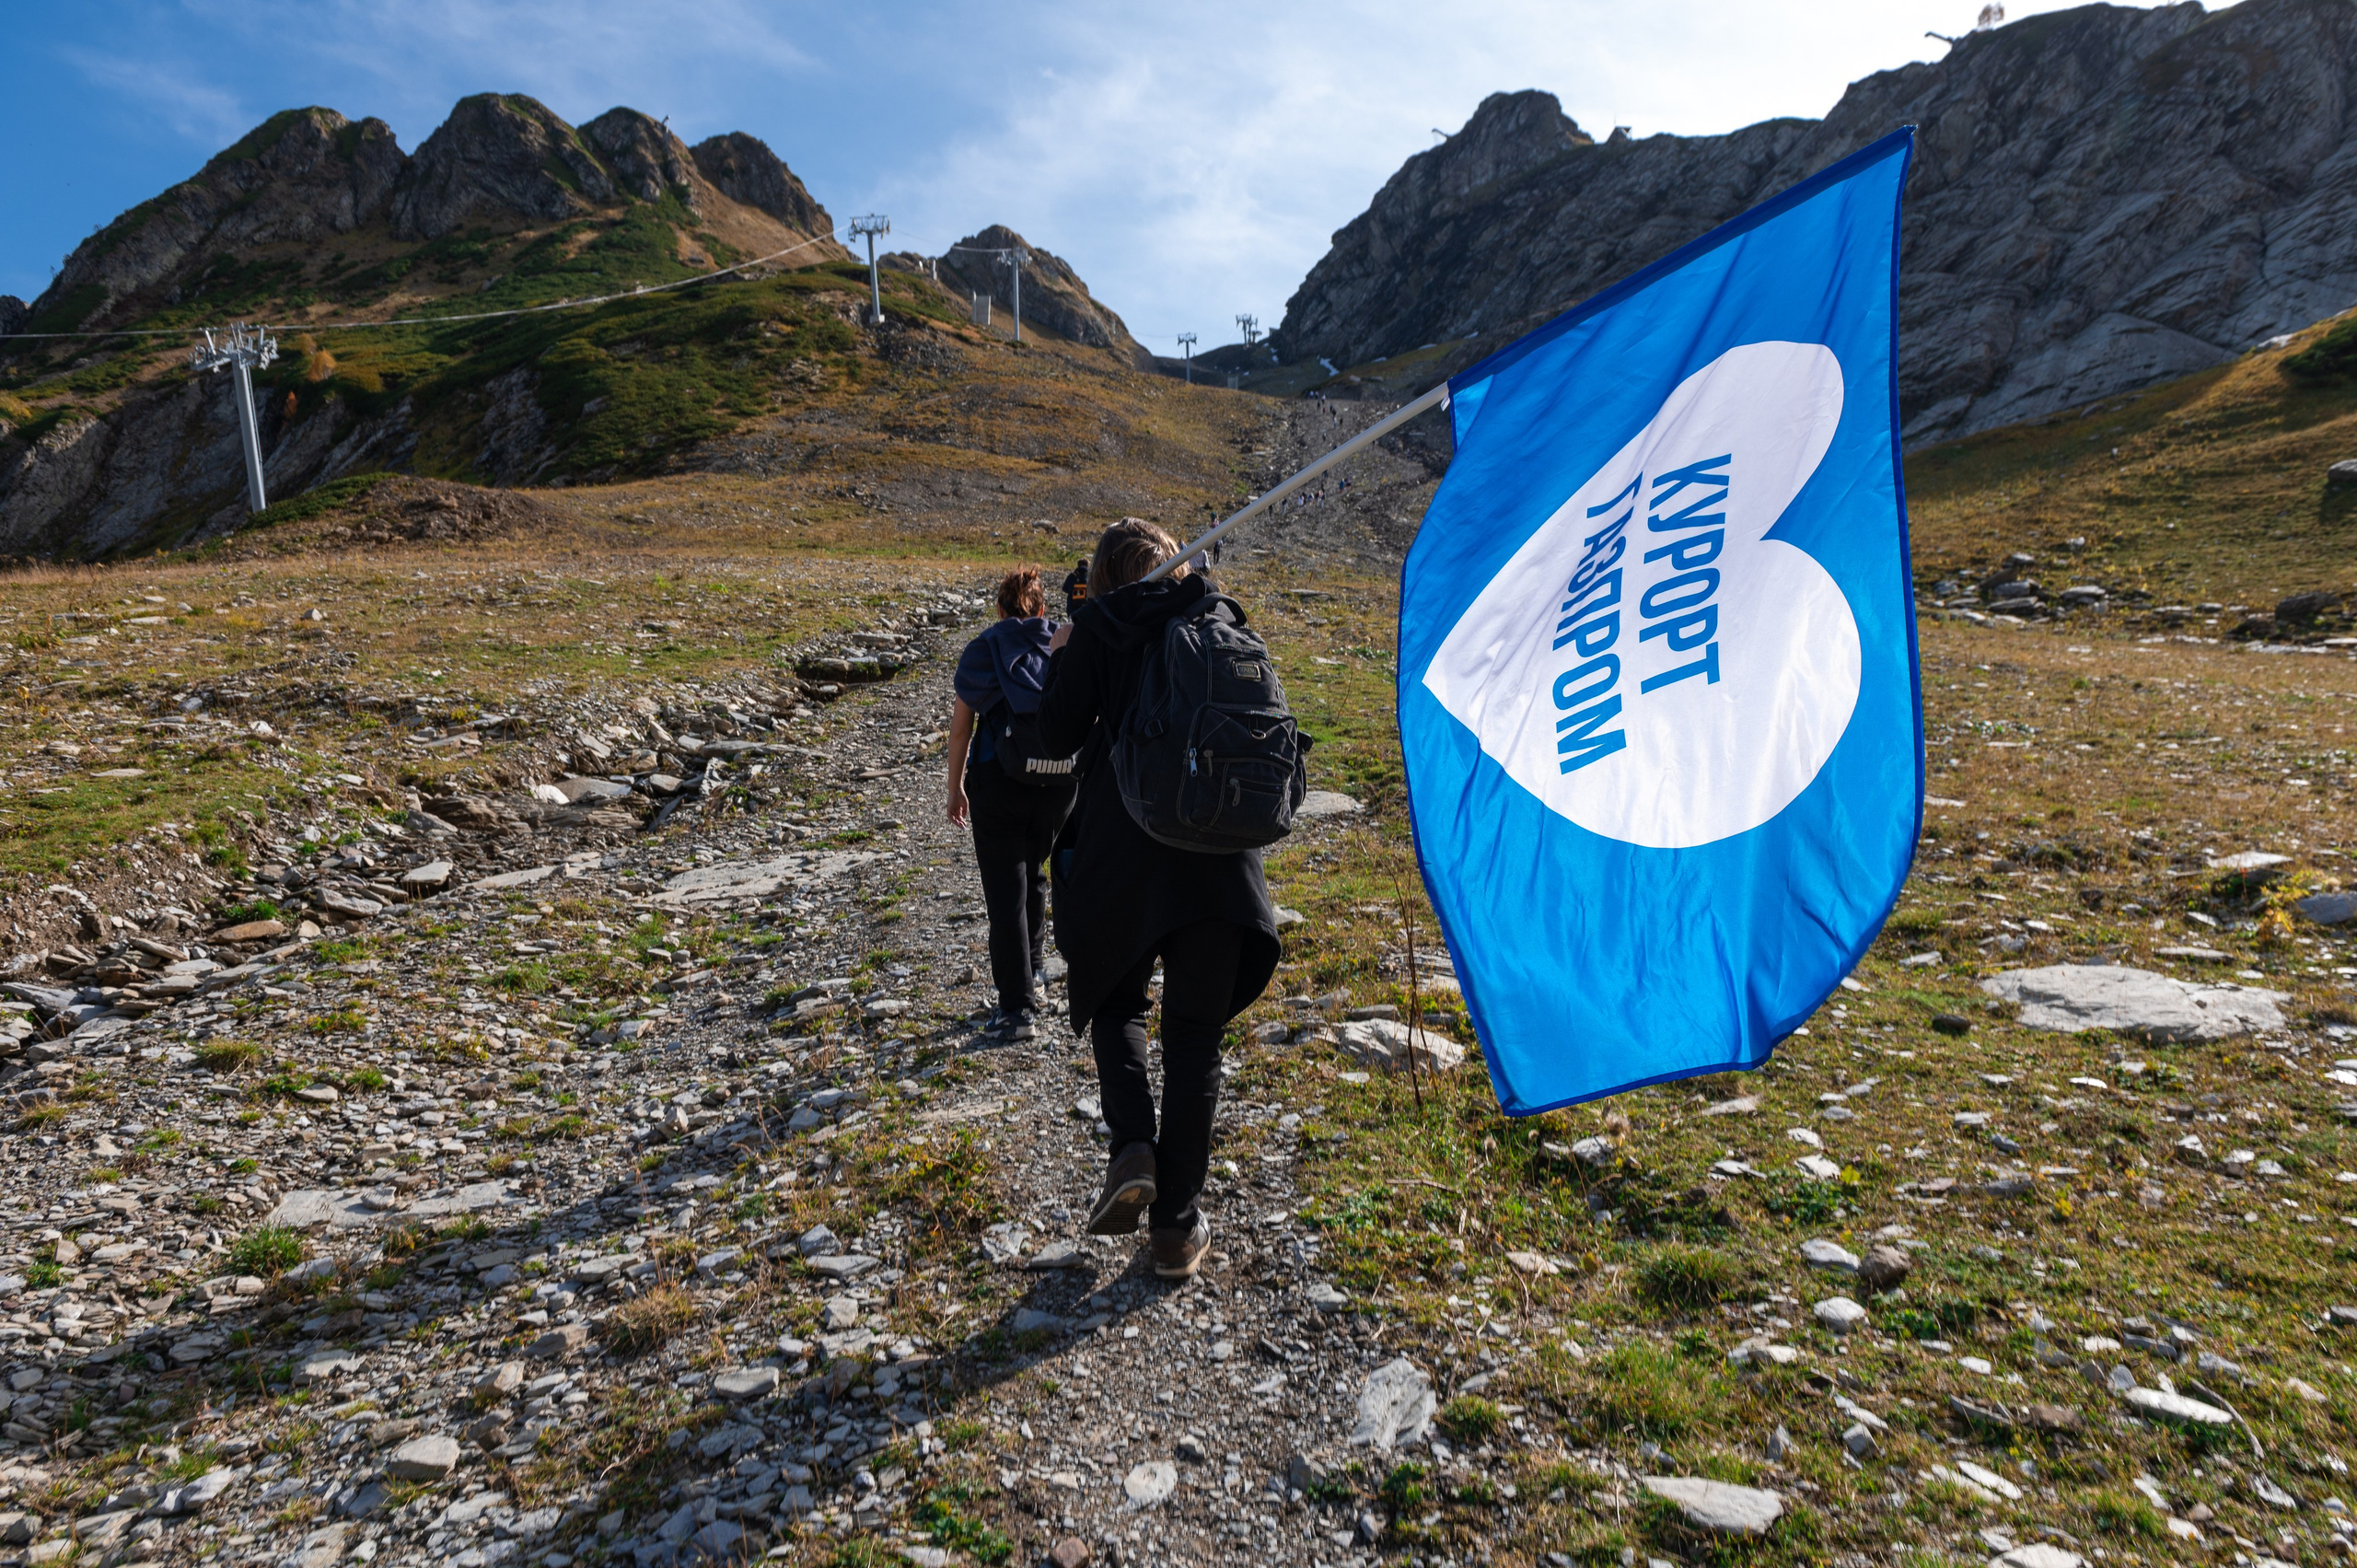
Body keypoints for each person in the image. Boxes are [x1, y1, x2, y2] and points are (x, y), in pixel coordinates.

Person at [1036, 518, 1281, 1279]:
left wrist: (1066, 662)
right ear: (1180, 567)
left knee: (1117, 1004)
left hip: (1126, 853)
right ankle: (1176, 1230)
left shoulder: (1099, 628)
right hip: (1220, 858)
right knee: (1197, 1039)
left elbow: (1052, 738)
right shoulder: (1222, 621)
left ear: (1103, 577)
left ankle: (1133, 1145)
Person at [945, 569, 1076, 1042]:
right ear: (1041, 608)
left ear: (999, 611)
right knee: (1034, 869)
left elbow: (961, 728)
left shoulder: (984, 647)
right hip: (1060, 782)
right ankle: (1036, 967)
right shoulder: (1063, 641)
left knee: (1006, 889)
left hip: (998, 781)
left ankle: (1017, 1009)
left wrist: (955, 786)